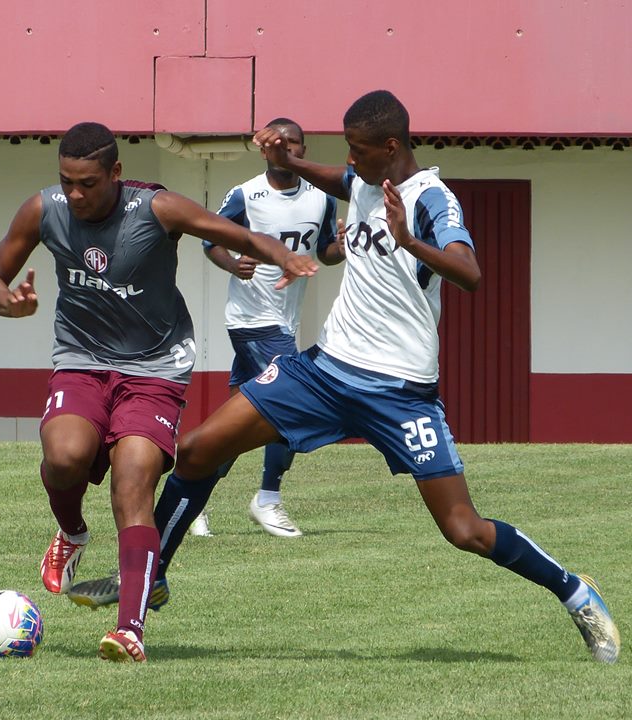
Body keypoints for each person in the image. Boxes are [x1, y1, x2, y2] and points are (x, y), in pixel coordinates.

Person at [72, 90, 621, 665]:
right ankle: (149, 577)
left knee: (464, 528)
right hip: (324, 370)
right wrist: (285, 157)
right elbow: (332, 176)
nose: (350, 161)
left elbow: (470, 273)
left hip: (399, 392)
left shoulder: (432, 197)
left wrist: (410, 241)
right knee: (199, 448)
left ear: (391, 146)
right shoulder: (362, 180)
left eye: (358, 150)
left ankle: (575, 591)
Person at [0, 121, 317, 663]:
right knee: (64, 459)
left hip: (155, 367)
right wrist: (8, 302)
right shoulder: (44, 211)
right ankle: (72, 533)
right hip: (81, 361)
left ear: (116, 173)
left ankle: (130, 628)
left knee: (132, 483)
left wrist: (283, 255)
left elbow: (236, 235)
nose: (75, 194)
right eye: (67, 181)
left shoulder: (156, 210)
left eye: (87, 182)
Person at [188, 117, 343, 539]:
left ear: (303, 150)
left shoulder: (321, 197)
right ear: (265, 149)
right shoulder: (246, 194)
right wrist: (232, 264)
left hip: (285, 322)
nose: (288, 149)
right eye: (280, 142)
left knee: (240, 423)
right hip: (251, 320)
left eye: (296, 143)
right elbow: (209, 239)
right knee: (289, 404)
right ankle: (267, 499)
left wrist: (341, 248)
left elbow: (325, 249)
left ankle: (190, 497)